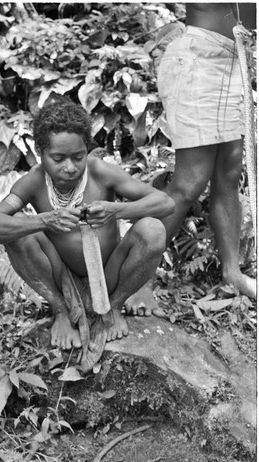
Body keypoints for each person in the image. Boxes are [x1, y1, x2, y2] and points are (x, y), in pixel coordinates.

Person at [0, 99, 174, 358]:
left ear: (86, 151)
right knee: (19, 234)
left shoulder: (99, 172)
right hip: (63, 279)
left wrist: (115, 210)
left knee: (153, 230)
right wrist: (46, 220)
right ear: (40, 152)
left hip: (109, 274)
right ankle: (61, 312)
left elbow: (165, 202)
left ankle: (113, 307)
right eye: (58, 158)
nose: (69, 168)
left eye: (78, 157)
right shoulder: (34, 181)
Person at [126, 2, 257, 318]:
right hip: (198, 58)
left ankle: (232, 273)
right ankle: (136, 281)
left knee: (228, 174)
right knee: (190, 182)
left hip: (233, 61)